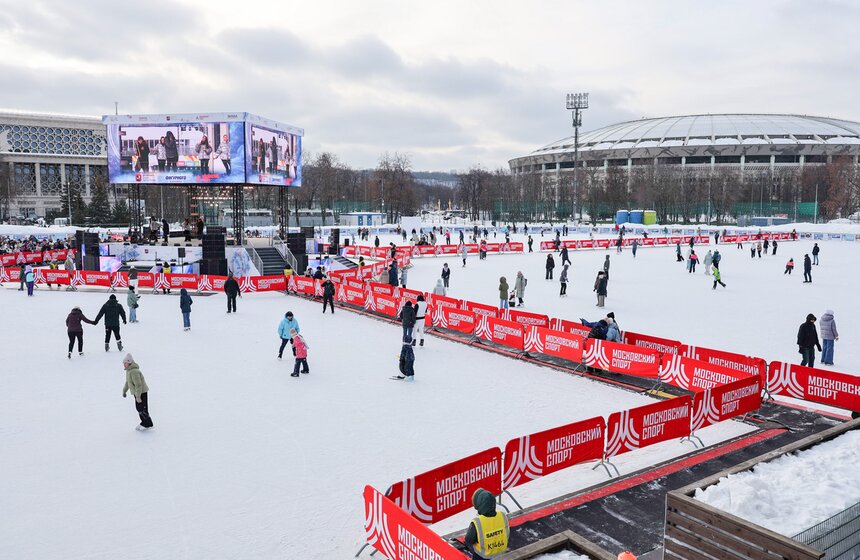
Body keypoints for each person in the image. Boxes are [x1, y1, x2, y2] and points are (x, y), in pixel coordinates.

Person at [464, 488, 508, 559]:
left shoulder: (477, 522)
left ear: (479, 506)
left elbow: (468, 540)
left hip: (481, 557)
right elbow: (506, 534)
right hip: (500, 556)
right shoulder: (502, 516)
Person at [122, 353, 153, 431]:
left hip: (141, 392)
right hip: (137, 393)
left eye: (125, 363)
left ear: (129, 363)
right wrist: (124, 391)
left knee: (142, 408)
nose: (124, 365)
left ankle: (148, 424)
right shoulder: (129, 371)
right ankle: (144, 422)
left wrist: (138, 396)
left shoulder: (134, 372)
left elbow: (138, 385)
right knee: (139, 408)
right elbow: (128, 382)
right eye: (124, 363)